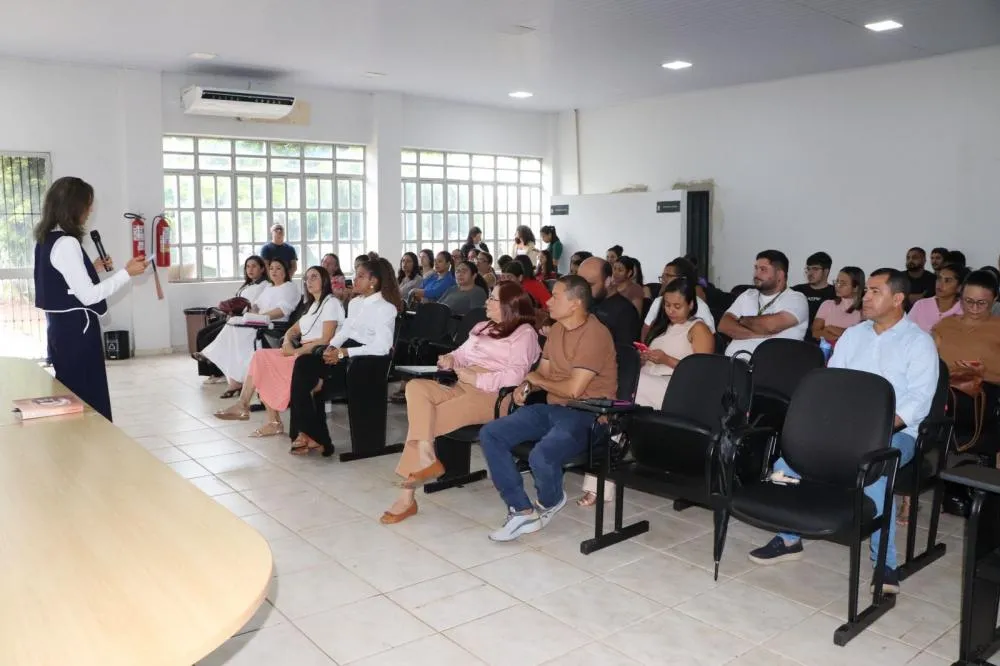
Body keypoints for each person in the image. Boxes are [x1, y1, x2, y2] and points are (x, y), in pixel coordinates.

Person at [747, 268, 938, 595]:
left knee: (875, 473)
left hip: (896, 434)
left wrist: (872, 429)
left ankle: (884, 562)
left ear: (898, 299)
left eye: (875, 292)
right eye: (866, 291)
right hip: (842, 430)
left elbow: (919, 402)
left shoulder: (918, 343)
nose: (865, 297)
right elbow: (831, 385)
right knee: (784, 466)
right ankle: (790, 537)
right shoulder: (854, 335)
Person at [381, 282, 541, 524]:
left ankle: (406, 498)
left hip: (494, 396)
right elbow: (462, 354)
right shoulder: (484, 326)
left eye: (493, 298)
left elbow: (516, 377)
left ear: (510, 305)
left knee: (426, 420)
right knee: (416, 388)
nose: (486, 302)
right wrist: (450, 358)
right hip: (463, 384)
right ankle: (426, 454)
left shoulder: (524, 333)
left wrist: (477, 377)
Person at [480, 275, 618, 541]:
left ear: (576, 303)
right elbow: (542, 373)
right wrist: (526, 387)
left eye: (555, 296)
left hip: (588, 415)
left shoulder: (595, 334)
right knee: (491, 433)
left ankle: (551, 500)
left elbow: (574, 390)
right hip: (555, 407)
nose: (548, 300)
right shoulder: (556, 329)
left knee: (541, 455)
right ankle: (521, 508)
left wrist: (535, 380)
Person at [578, 276, 713, 507]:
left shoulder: (698, 328)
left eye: (677, 306)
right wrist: (643, 359)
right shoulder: (662, 330)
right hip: (650, 383)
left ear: (691, 304)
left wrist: (665, 359)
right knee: (619, 402)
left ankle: (600, 480)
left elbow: (702, 373)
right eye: (667, 305)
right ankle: (600, 475)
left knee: (621, 396)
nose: (671, 311)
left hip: (676, 390)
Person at [32, 176, 148, 422]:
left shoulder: (46, 239)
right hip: (78, 331)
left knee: (71, 394)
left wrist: (91, 268)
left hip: (60, 330)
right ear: (74, 206)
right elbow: (89, 295)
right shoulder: (66, 243)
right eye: (88, 203)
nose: (91, 209)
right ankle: (93, 451)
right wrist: (127, 273)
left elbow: (62, 284)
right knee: (87, 398)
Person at [287, 258, 403, 456]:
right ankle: (314, 435)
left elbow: (383, 347)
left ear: (373, 281)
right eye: (355, 275)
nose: (354, 280)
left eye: (360, 276)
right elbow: (345, 332)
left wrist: (344, 353)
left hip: (365, 360)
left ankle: (313, 435)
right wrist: (331, 347)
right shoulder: (356, 303)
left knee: (311, 381)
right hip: (345, 353)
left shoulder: (385, 308)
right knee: (303, 363)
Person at [213, 266, 344, 439]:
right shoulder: (312, 305)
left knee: (264, 365)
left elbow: (326, 339)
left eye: (314, 277)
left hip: (315, 356)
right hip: (299, 351)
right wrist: (288, 341)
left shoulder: (331, 303)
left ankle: (267, 418)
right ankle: (245, 405)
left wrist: (295, 350)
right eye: (307, 278)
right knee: (259, 357)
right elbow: (293, 329)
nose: (309, 281)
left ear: (325, 280)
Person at [201, 258, 300, 398]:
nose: (274, 272)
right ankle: (234, 379)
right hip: (259, 321)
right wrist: (252, 313)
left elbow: (283, 311)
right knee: (234, 329)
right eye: (271, 268)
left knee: (235, 327)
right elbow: (256, 305)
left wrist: (260, 317)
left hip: (274, 324)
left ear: (286, 271)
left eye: (278, 268)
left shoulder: (289, 287)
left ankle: (215, 358)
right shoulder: (270, 287)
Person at [931, 269, 1000, 457]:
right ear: (960, 297)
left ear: (994, 300)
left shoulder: (997, 327)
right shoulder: (945, 325)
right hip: (944, 389)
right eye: (968, 301)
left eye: (981, 303)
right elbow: (929, 360)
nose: (974, 308)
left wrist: (983, 372)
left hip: (983, 393)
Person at [718, 250, 809, 357]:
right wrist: (759, 334)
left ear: (780, 274)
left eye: (763, 269)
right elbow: (723, 325)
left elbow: (771, 326)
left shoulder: (796, 299)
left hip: (771, 368)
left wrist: (740, 320)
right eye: (756, 268)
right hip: (732, 364)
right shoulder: (748, 295)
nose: (756, 274)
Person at [196, 256, 269, 383]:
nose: (250, 269)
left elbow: (254, 305)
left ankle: (220, 373)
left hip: (242, 320)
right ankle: (210, 372)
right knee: (201, 334)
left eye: (254, 266)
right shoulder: (248, 284)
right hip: (233, 317)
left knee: (210, 337)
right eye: (247, 267)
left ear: (262, 269)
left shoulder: (264, 285)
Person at [642, 258, 715, 340]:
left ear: (683, 279)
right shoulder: (658, 301)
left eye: (668, 276)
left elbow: (709, 336)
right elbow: (646, 330)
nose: (664, 280)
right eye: (663, 276)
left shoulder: (700, 305)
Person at [577, 257, 640, 348]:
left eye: (590, 285)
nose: (583, 290)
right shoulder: (586, 301)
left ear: (607, 281)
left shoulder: (625, 312)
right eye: (581, 284)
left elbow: (626, 353)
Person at [812, 266, 865, 346]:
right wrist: (840, 335)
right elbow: (815, 332)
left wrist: (830, 328)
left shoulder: (865, 309)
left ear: (856, 288)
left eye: (843, 283)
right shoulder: (828, 304)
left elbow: (859, 336)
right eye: (837, 281)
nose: (837, 286)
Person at [909, 263, 967, 333]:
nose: (940, 284)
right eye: (939, 278)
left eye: (947, 280)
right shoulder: (921, 305)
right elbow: (906, 331)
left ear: (959, 287)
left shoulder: (964, 310)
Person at [792, 251, 836, 343]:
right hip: (795, 340)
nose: (810, 273)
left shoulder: (835, 294)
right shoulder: (795, 291)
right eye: (808, 269)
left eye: (815, 269)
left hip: (822, 343)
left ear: (826, 271)